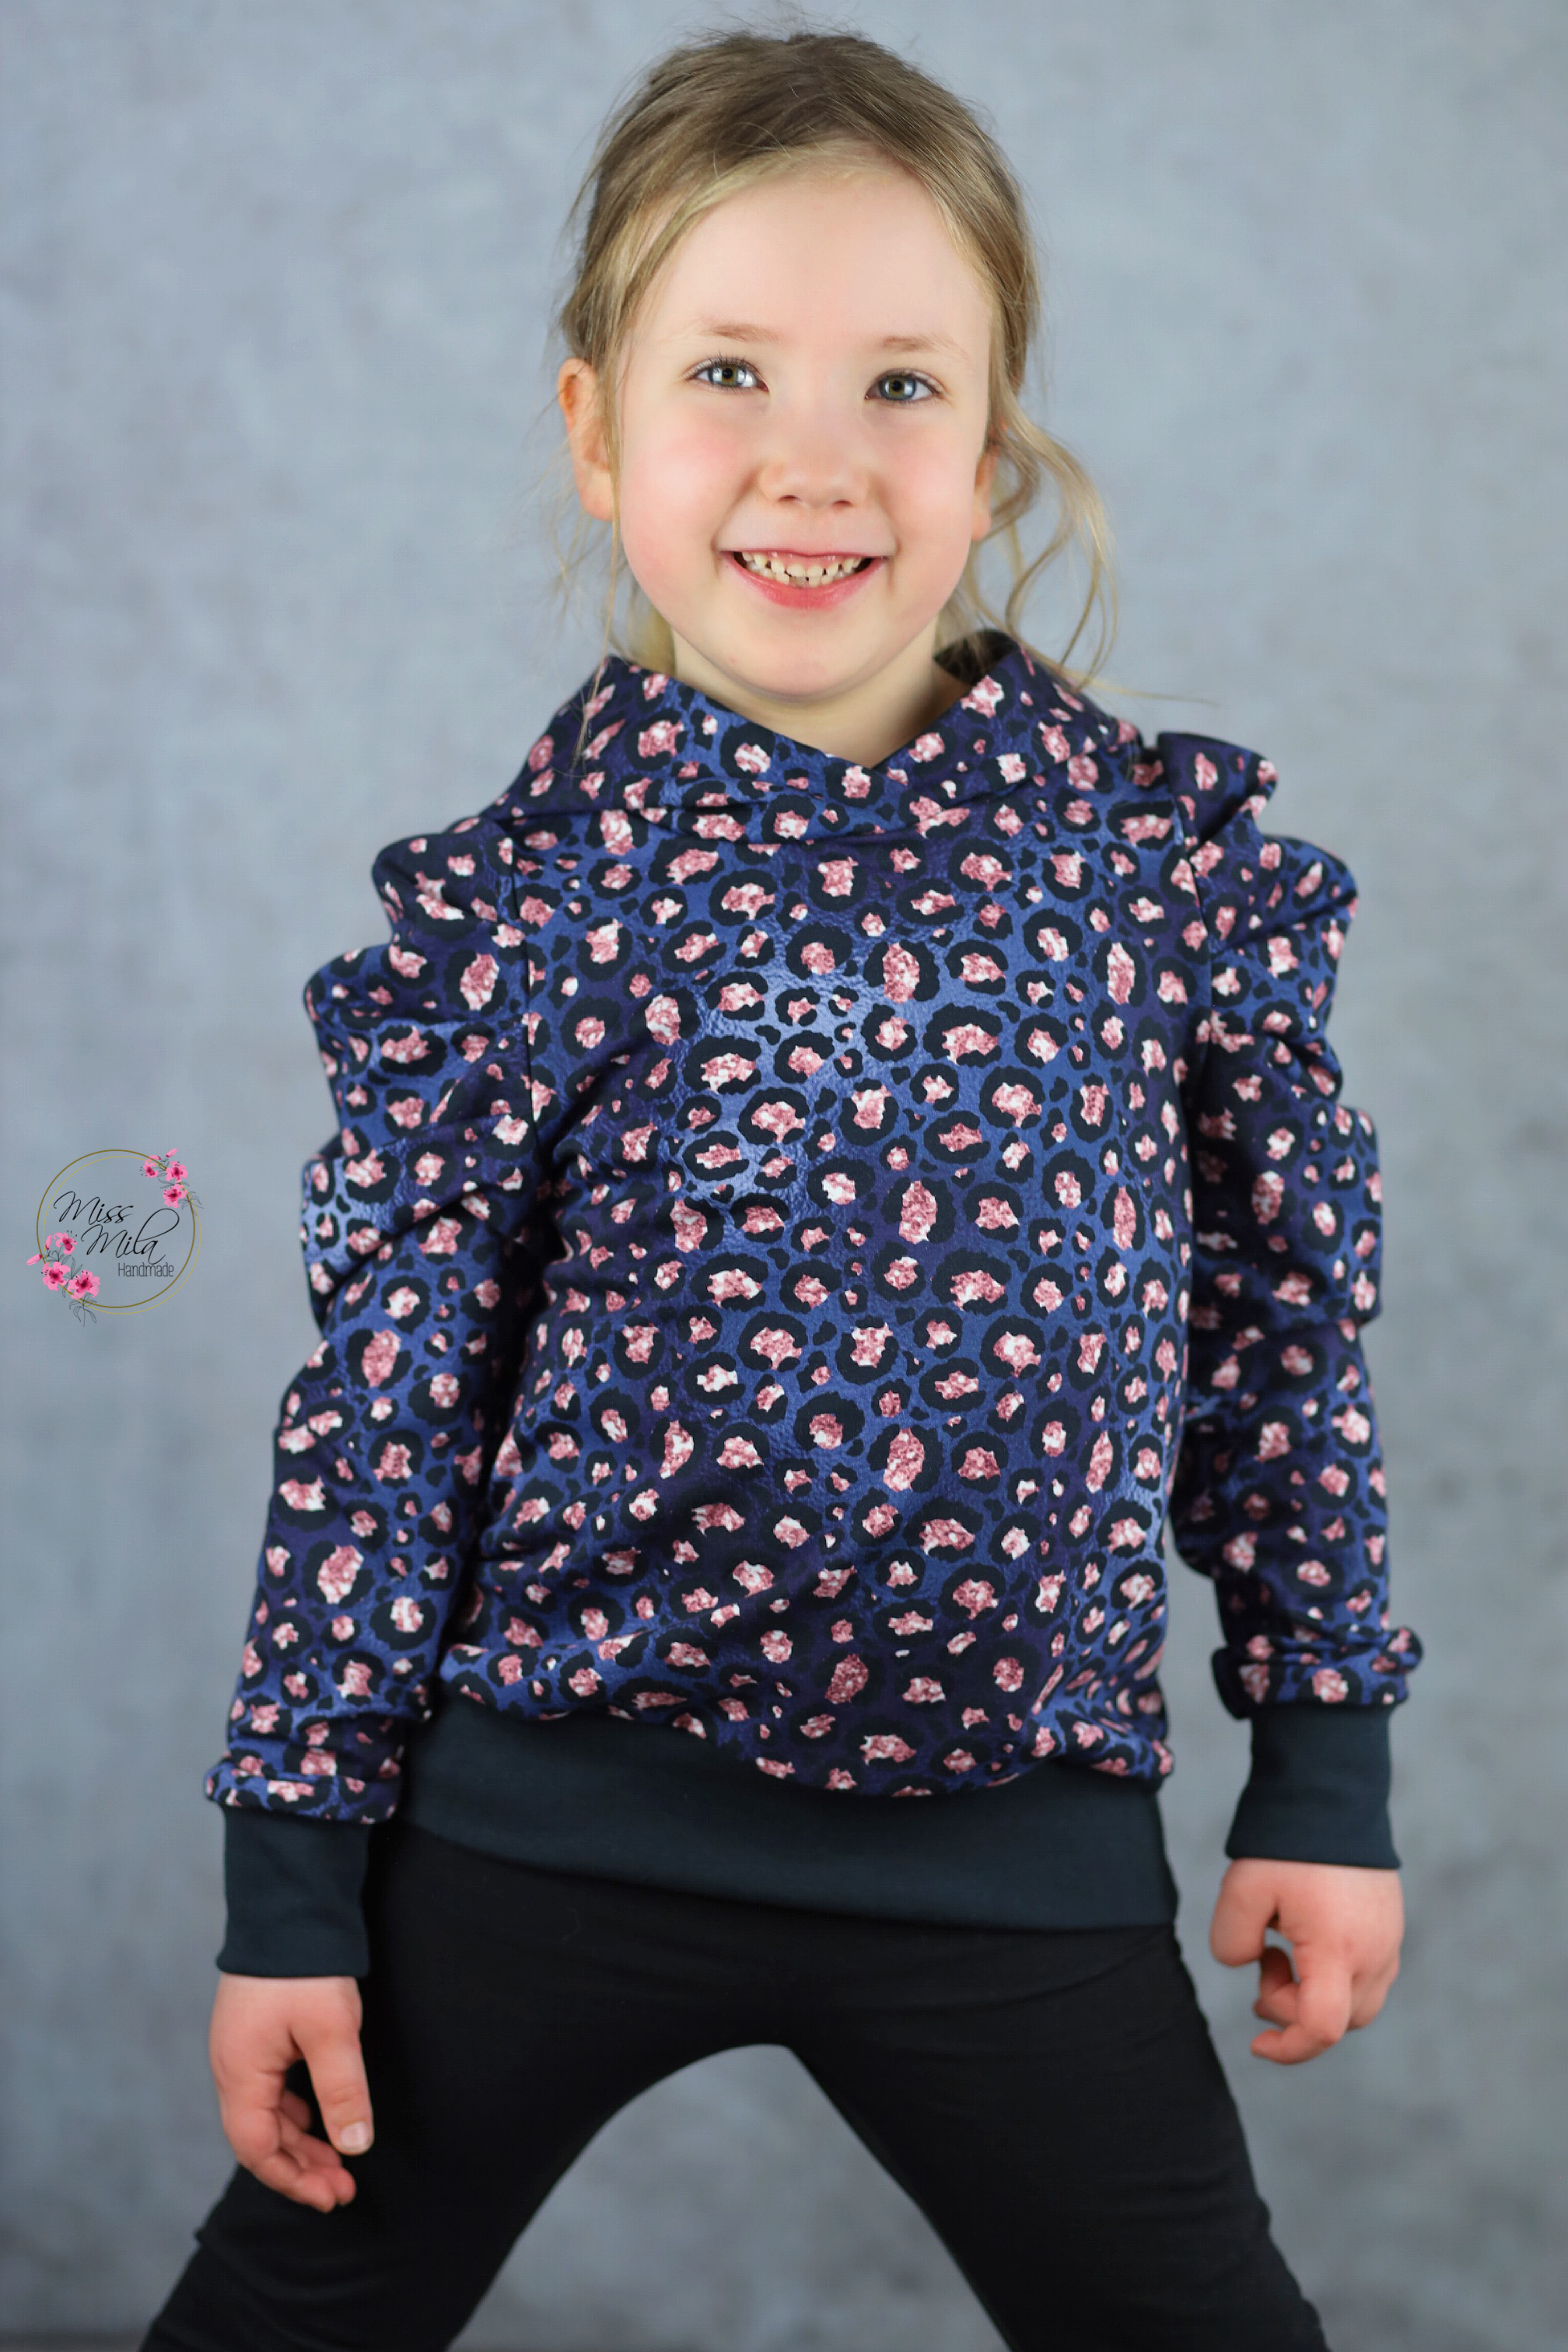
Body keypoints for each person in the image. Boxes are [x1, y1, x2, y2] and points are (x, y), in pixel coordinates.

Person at [142, 25, 1420, 2352]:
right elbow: (383, 1409)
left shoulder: (1149, 869)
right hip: (539, 1829)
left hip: (1012, 1857)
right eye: (727, 371)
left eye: (900, 386)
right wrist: (292, 1892)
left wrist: (1321, 1765)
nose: (813, 458)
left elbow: (1279, 1337)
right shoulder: (534, 904)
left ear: (994, 447)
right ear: (597, 429)